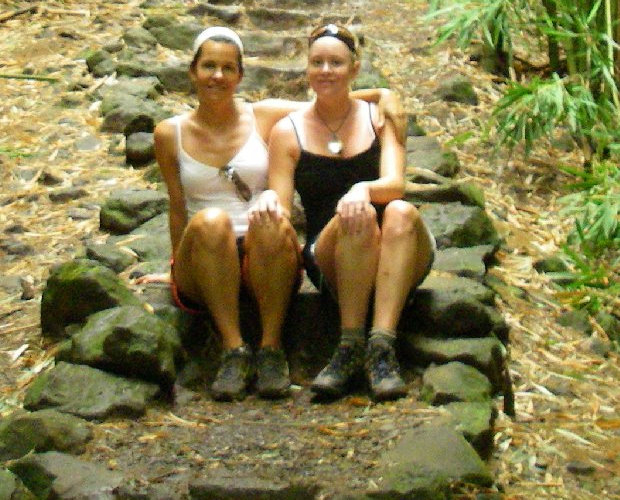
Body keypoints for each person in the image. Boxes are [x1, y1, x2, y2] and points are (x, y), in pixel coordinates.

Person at [268, 22, 432, 401]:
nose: (326, 70)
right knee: (356, 219)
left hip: (395, 248)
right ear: (307, 69)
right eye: (317, 63)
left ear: (355, 69)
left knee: (400, 211)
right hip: (331, 251)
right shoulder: (287, 130)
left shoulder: (380, 118)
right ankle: (350, 345)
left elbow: (395, 184)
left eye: (336, 63)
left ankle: (381, 348)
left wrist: (362, 189)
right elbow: (281, 207)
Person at [153, 27, 301, 401]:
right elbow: (177, 206)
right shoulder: (169, 133)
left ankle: (271, 349)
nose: (217, 76)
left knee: (271, 218)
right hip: (205, 249)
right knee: (211, 219)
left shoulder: (264, 116)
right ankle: (233, 349)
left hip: (261, 250)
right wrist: (176, 263)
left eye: (228, 68)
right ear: (193, 71)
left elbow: (329, 104)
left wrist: (380, 96)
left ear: (240, 75)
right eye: (208, 66)